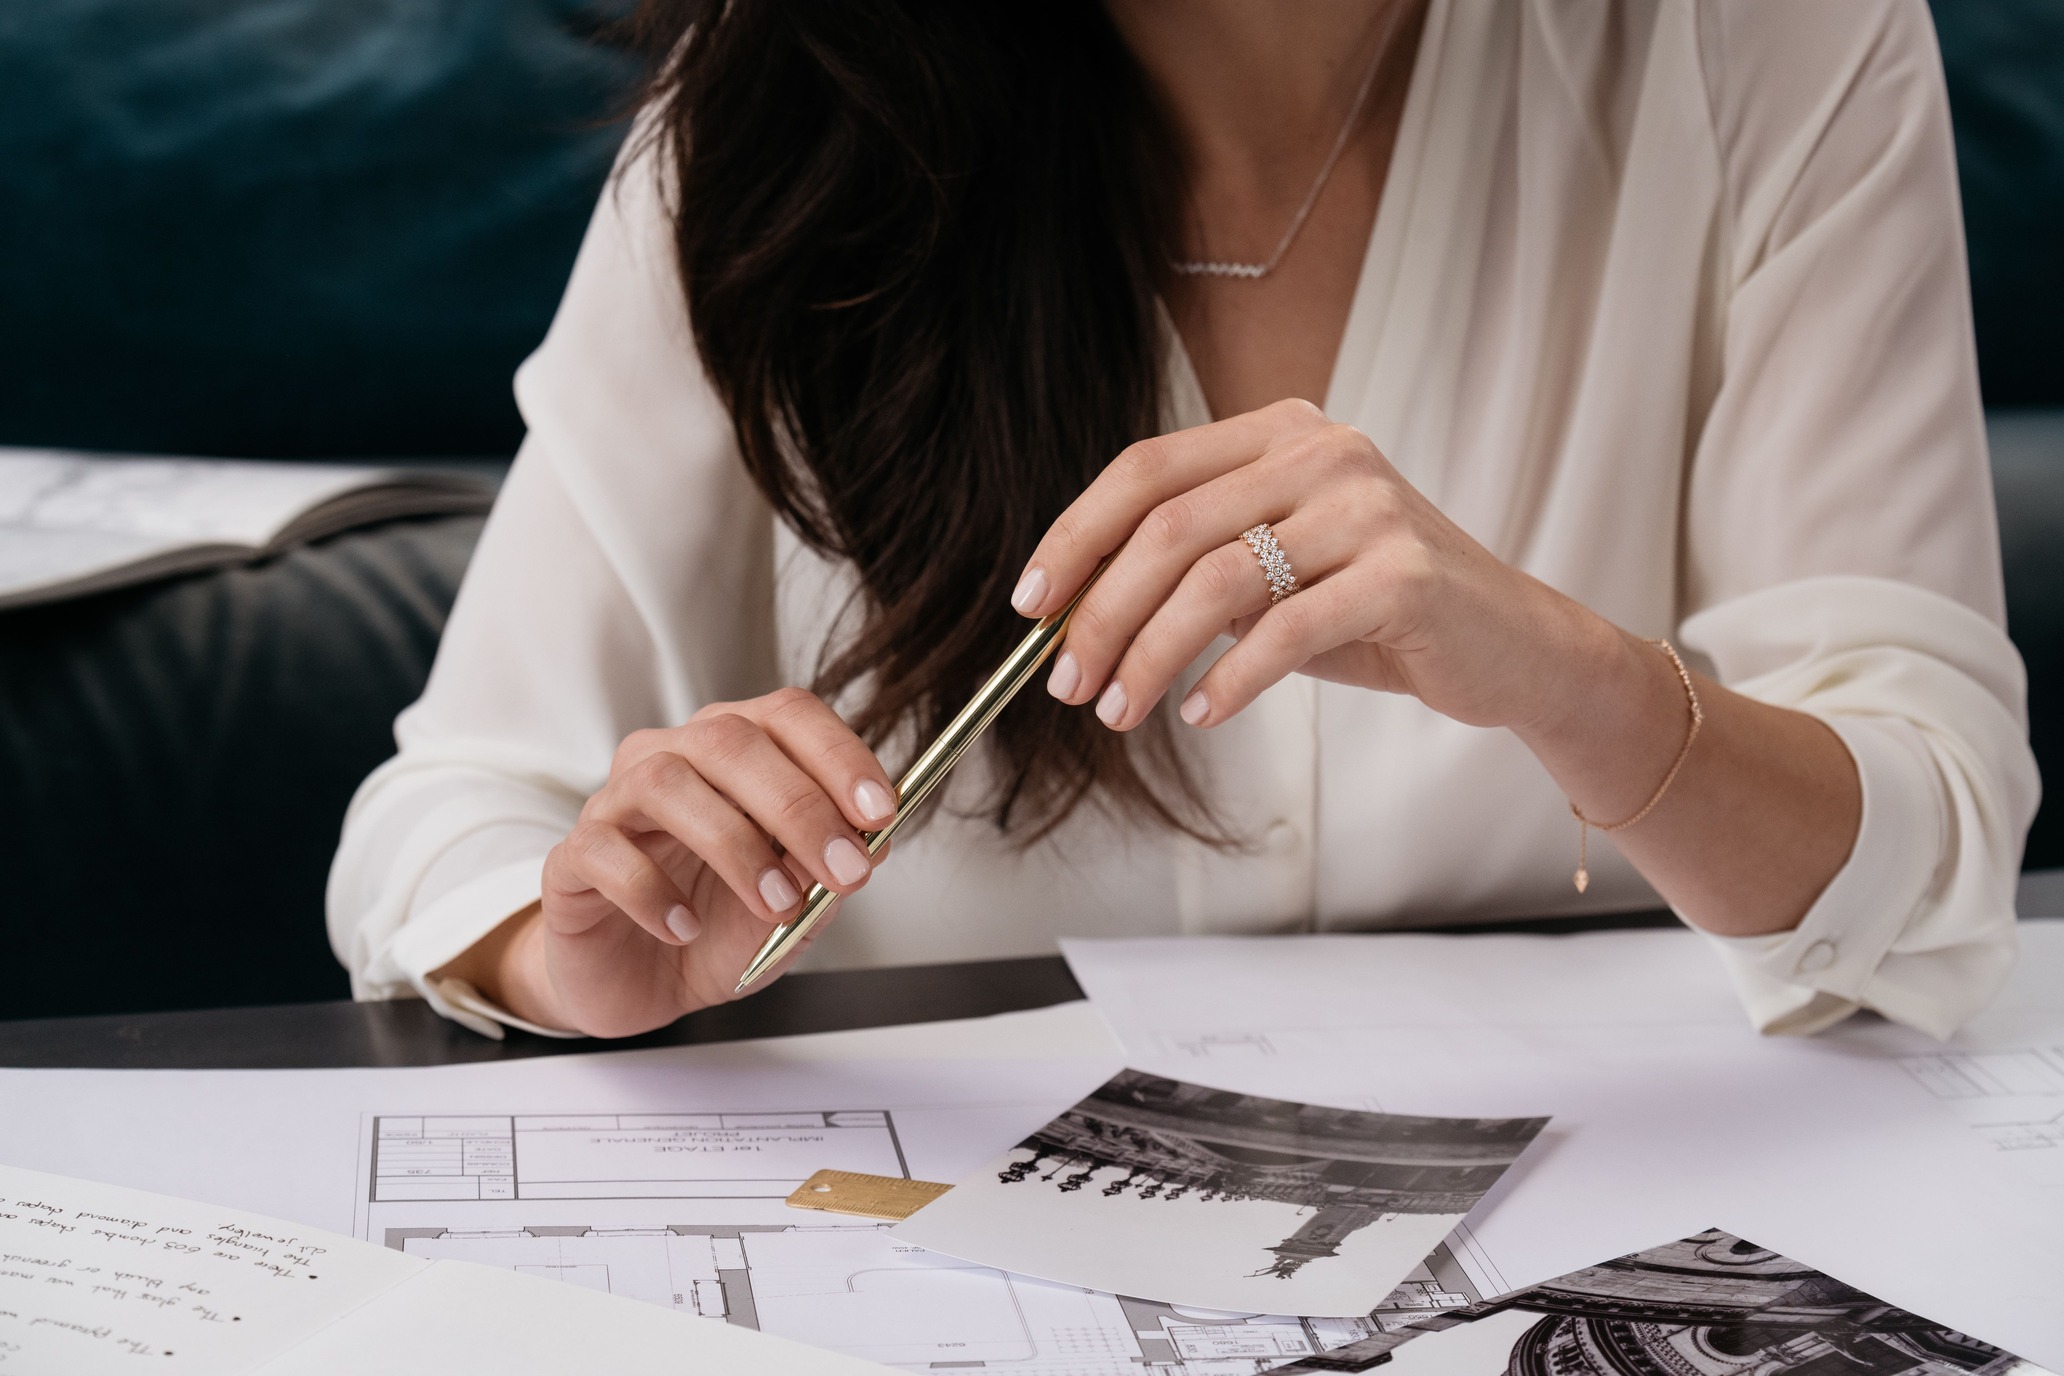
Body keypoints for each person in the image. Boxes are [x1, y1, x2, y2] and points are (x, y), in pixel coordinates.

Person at [328, 0, 2037, 1043]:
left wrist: (1574, 680)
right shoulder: (780, 118)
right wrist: (565, 953)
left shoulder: (1767, 39)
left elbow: (1933, 848)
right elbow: (448, 815)